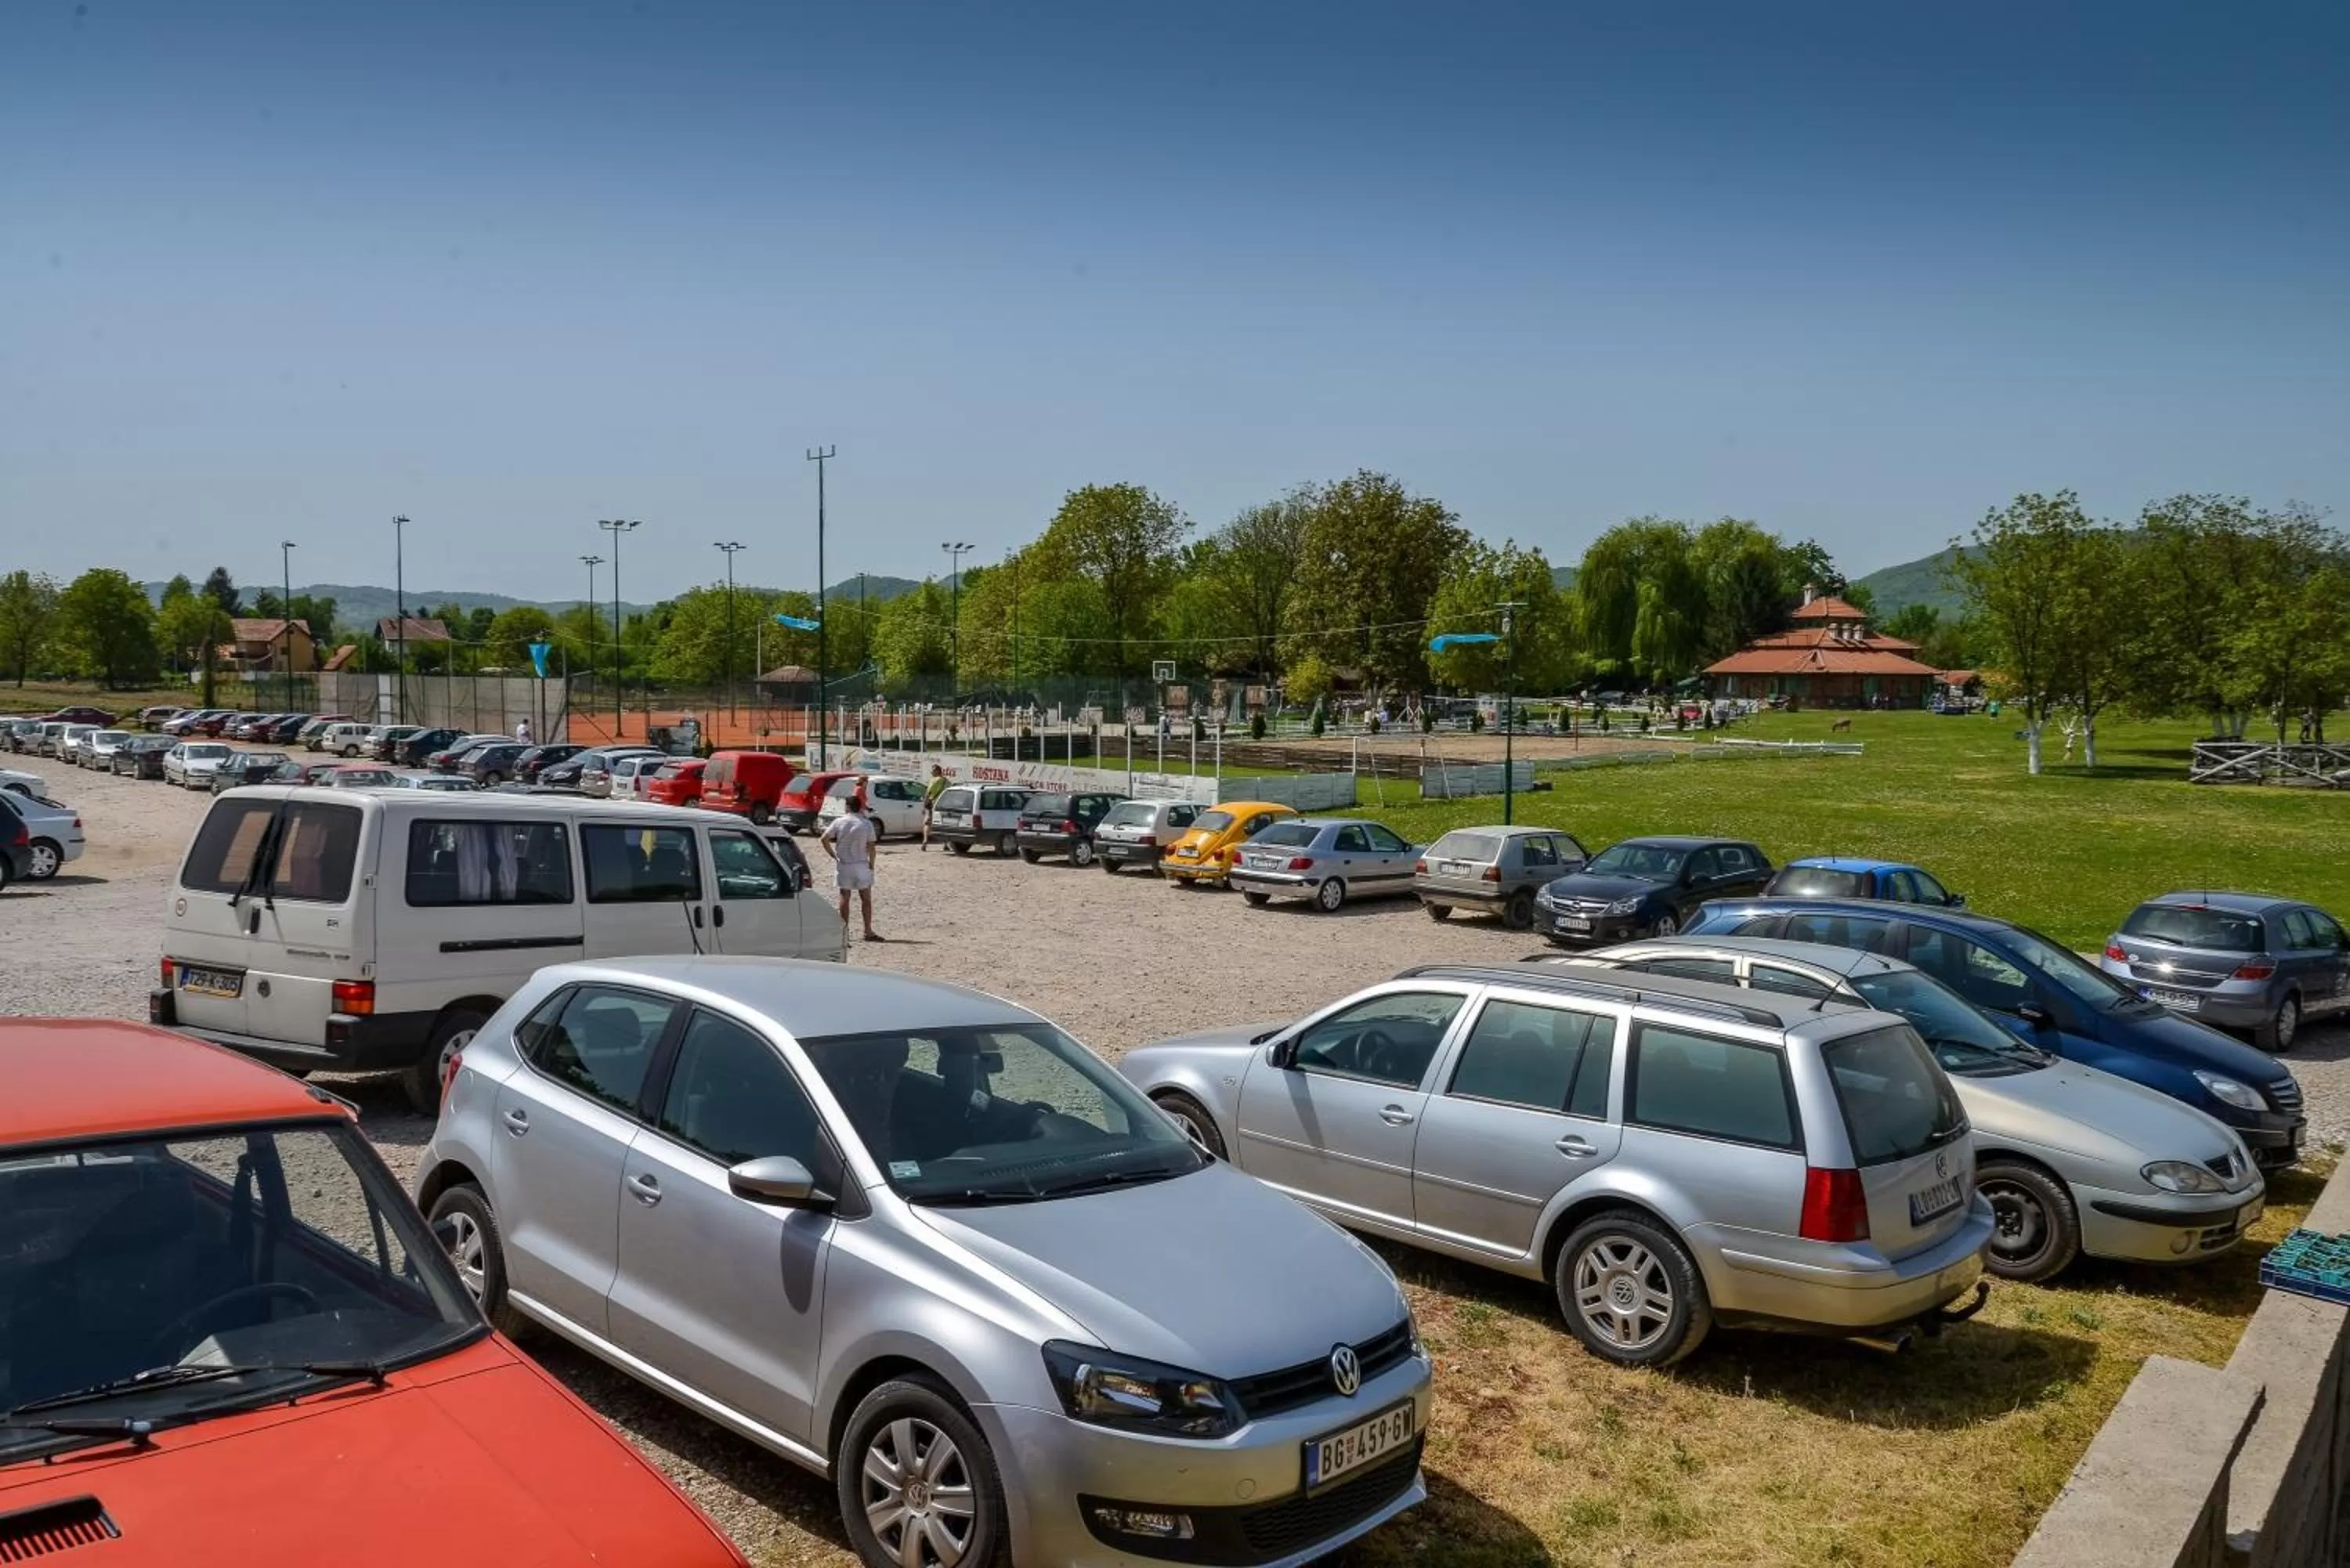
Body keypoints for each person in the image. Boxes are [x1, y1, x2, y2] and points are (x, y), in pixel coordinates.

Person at [820, 788, 882, 941]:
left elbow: (824, 838)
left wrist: (833, 855)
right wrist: (872, 864)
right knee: (866, 899)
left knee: (844, 898)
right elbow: (872, 847)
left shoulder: (839, 821)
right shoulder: (866, 824)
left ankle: (844, 932)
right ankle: (867, 931)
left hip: (844, 864)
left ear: (847, 806)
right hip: (861, 864)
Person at [920, 764, 948, 851]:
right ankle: (946, 843)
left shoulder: (934, 780)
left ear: (937, 771)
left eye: (933, 770)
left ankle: (925, 840)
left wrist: (924, 806)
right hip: (943, 804)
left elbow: (928, 793)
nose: (931, 772)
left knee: (927, 823)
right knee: (944, 824)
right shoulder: (946, 781)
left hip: (933, 804)